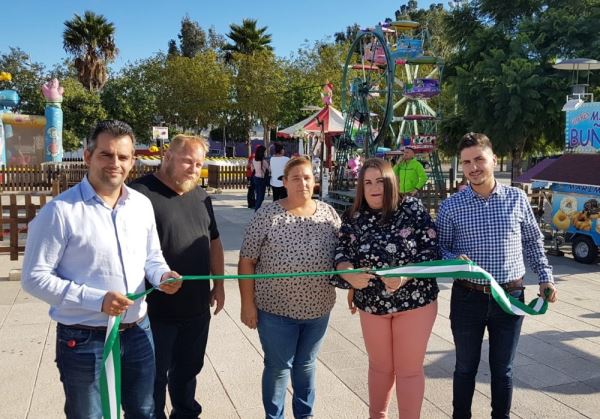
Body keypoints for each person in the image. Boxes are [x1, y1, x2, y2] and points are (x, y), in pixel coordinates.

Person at [21, 120, 182, 418]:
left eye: (123, 157)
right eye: (106, 155)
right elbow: (34, 278)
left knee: (144, 410)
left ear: (133, 161)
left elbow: (152, 256)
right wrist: (97, 300)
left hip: (138, 332)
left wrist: (162, 276)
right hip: (84, 338)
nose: (115, 163)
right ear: (87, 156)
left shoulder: (141, 205)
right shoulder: (60, 211)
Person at [436, 132, 558, 419]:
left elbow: (532, 241)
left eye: (479, 159)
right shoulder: (451, 206)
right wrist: (453, 259)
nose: (473, 167)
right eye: (466, 162)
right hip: (468, 298)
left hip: (511, 298)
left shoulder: (516, 198)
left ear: (493, 158)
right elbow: (439, 248)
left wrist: (545, 277)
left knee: (503, 370)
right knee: (465, 367)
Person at [333, 157, 439, 419]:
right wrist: (347, 272)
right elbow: (341, 253)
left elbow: (431, 250)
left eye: (379, 180)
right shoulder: (353, 216)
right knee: (380, 368)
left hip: (415, 302)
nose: (373, 187)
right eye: (367, 182)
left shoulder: (412, 208)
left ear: (391, 181)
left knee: (409, 369)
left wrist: (404, 275)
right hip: (372, 304)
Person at [129, 134, 225, 419]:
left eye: (199, 164)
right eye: (188, 162)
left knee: (188, 372)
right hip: (154, 312)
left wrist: (218, 285)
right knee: (152, 378)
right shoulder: (139, 194)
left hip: (196, 308)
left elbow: (215, 241)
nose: (194, 170)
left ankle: (185, 414)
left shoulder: (200, 195)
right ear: (167, 157)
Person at [238, 156, 341, 419]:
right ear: (283, 182)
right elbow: (247, 260)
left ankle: (304, 415)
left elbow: (344, 255)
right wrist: (247, 303)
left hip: (318, 310)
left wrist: (354, 287)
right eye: (295, 178)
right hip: (275, 311)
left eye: (307, 177)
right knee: (278, 367)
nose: (302, 183)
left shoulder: (328, 214)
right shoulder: (268, 215)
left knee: (306, 366)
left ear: (315, 182)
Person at [252, 145, 269, 211]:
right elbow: (269, 169)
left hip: (255, 178)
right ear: (262, 153)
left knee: (258, 195)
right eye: (264, 152)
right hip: (262, 179)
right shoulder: (263, 161)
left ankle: (256, 209)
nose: (265, 153)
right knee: (261, 197)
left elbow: (252, 168)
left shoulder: (254, 160)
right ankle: (257, 210)